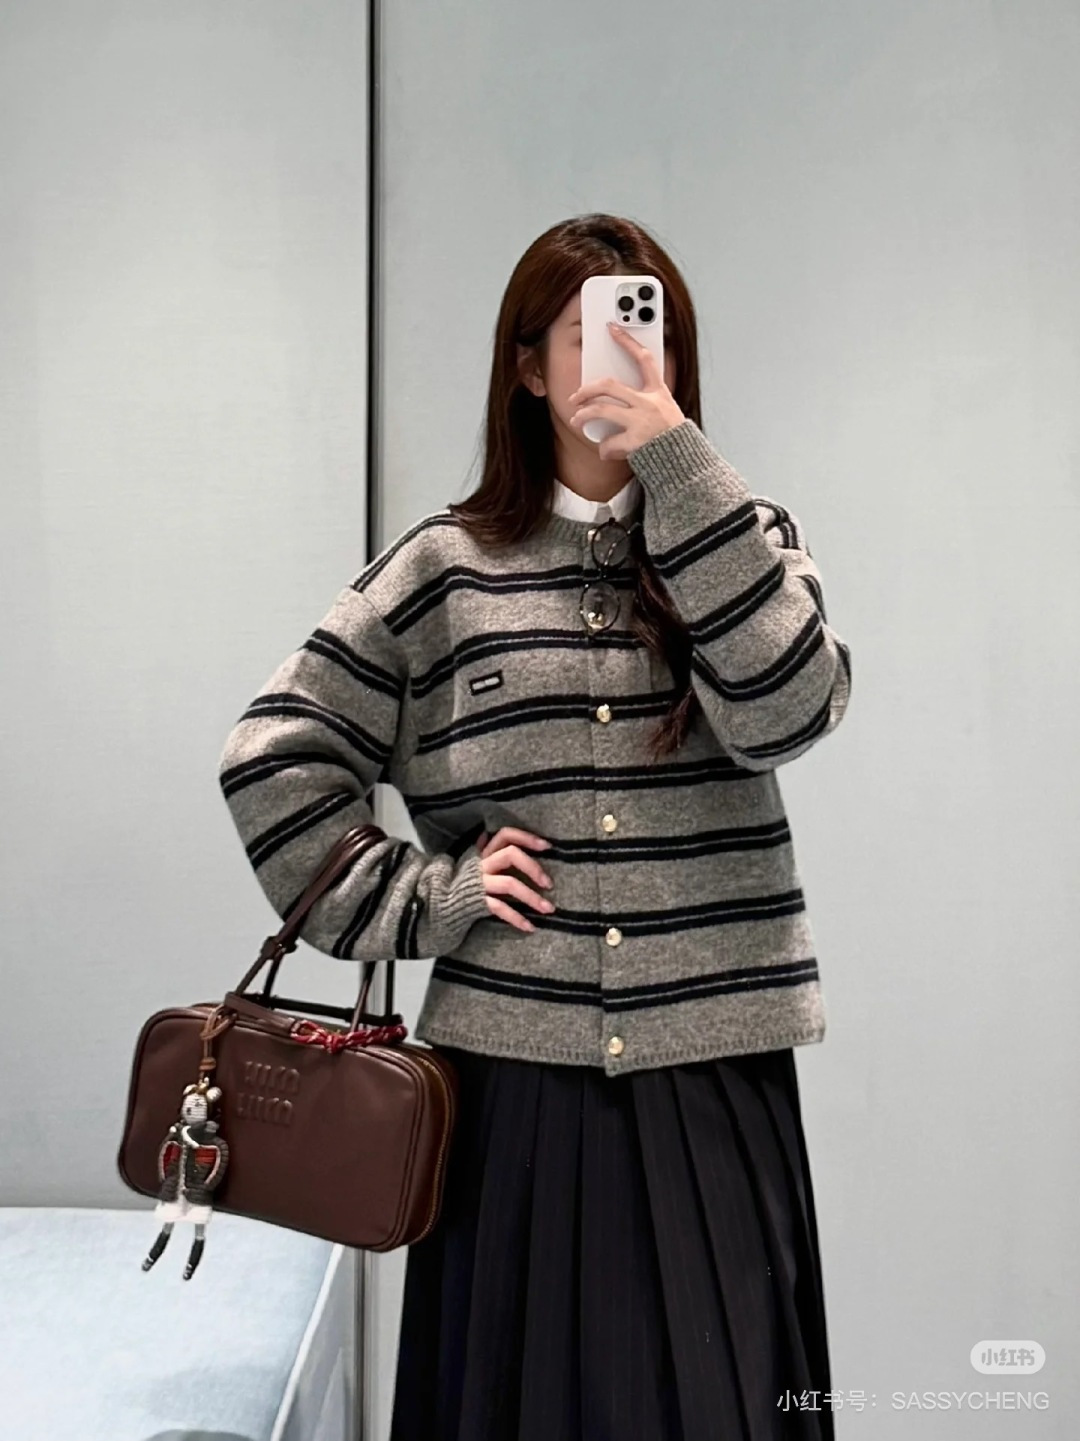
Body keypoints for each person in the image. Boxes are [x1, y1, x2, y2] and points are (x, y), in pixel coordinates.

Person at [217, 212, 852, 1441]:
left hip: (715, 1074)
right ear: (525, 367)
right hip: (513, 1089)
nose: (625, 356)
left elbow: (786, 710)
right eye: (587, 333)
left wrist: (680, 465)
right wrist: (429, 899)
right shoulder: (442, 571)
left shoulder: (748, 537)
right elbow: (274, 758)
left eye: (648, 330)